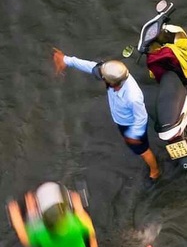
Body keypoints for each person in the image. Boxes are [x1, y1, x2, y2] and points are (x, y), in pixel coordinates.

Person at [52, 50, 160, 180]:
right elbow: (91, 67)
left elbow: (141, 118)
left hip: (129, 124)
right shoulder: (113, 74)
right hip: (119, 118)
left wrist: (133, 135)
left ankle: (155, 171)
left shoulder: (132, 97)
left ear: (113, 83)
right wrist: (67, 60)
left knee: (143, 151)